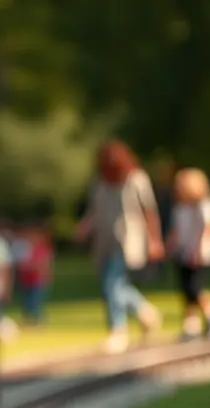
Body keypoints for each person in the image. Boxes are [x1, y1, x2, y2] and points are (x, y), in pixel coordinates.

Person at [75, 140, 164, 354]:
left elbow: (149, 211)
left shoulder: (136, 179)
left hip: (129, 240)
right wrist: (84, 227)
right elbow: (94, 210)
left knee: (112, 283)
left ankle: (118, 330)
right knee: (114, 285)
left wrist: (154, 239)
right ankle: (145, 311)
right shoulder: (101, 182)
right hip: (105, 241)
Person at [167, 168, 210, 340]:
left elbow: (208, 227)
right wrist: (170, 245)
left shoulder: (204, 205)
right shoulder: (180, 207)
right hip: (184, 253)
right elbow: (176, 230)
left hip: (200, 253)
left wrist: (199, 250)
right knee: (186, 289)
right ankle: (191, 325)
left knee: (195, 287)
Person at [13, 223, 53, 325]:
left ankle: (37, 320)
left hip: (37, 282)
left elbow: (42, 266)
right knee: (26, 302)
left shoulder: (42, 250)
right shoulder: (25, 249)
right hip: (26, 281)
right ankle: (27, 320)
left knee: (35, 302)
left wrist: (30, 267)